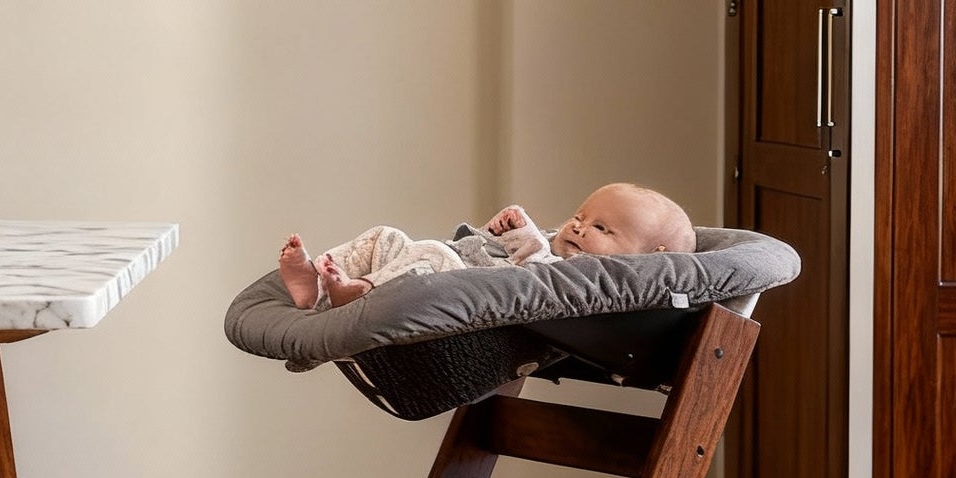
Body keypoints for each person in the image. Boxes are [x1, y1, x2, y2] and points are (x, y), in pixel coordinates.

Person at [278, 182, 695, 311]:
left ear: (649, 259)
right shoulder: (556, 245)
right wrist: (503, 229)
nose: (578, 227)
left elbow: (543, 278)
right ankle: (316, 285)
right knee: (385, 236)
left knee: (434, 254)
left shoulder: (594, 282)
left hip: (451, 288)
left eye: (601, 228)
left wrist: (525, 236)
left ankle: (359, 292)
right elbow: (493, 250)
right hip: (434, 266)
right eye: (580, 217)